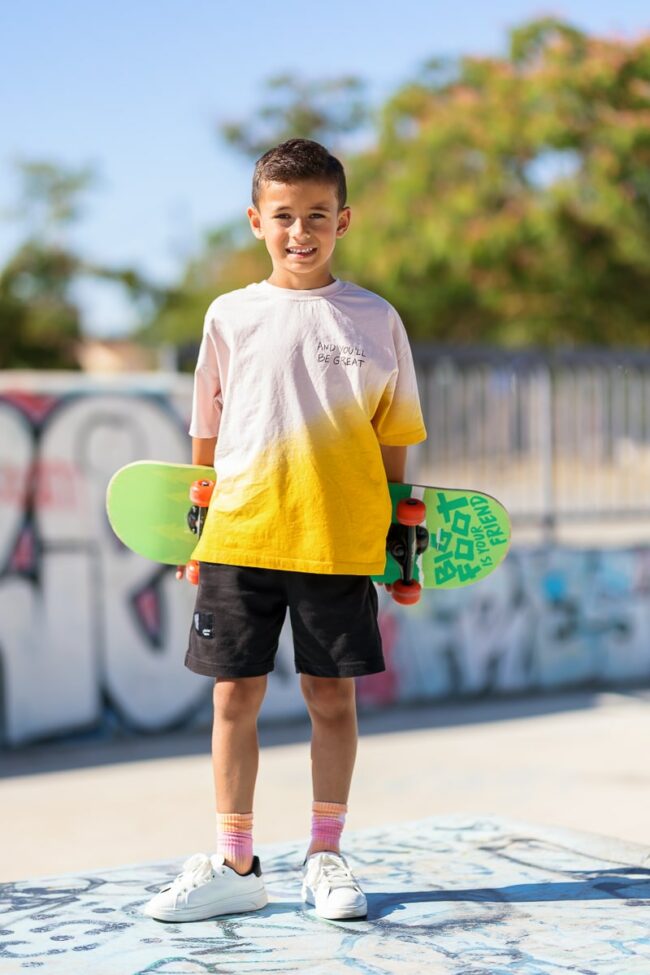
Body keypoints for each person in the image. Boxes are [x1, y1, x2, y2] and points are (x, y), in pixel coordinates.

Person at [144, 138, 427, 924]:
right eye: (283, 217)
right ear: (255, 221)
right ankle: (235, 862)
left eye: (316, 216)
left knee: (330, 697)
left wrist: (398, 546)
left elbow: (394, 440)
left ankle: (326, 856)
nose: (299, 231)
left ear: (344, 220)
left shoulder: (375, 318)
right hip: (239, 538)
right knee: (232, 697)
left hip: (336, 542)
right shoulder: (229, 315)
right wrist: (194, 536)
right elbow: (207, 433)